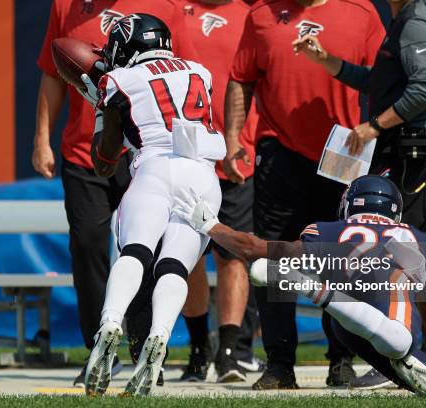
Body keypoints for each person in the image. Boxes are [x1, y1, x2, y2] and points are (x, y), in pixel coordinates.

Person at [173, 175, 426, 396]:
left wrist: (210, 225)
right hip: (399, 318)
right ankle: (418, 363)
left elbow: (253, 249)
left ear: (349, 204)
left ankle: (313, 288)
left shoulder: (329, 231)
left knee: (343, 327)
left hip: (355, 323)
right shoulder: (422, 240)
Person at [293, 0, 426, 389]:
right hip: (413, 150)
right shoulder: (402, 20)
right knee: (413, 255)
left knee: (416, 255)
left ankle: (421, 357)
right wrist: (328, 61)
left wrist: (373, 126)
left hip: (419, 152)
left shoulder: (415, 23)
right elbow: (379, 83)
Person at [34, 0, 196, 387]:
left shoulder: (165, 7)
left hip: (145, 151)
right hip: (83, 149)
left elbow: (182, 80)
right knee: (87, 247)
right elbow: (54, 72)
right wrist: (42, 137)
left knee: (145, 250)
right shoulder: (67, 5)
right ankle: (100, 353)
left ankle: (144, 354)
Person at [225, 0, 385, 389]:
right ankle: (279, 364)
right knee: (273, 259)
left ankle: (342, 360)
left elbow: (386, 79)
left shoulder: (360, 11)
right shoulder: (261, 13)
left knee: (344, 263)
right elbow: (240, 78)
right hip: (278, 154)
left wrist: (375, 130)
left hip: (341, 156)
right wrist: (232, 140)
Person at [81, 14, 224, 397]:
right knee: (174, 265)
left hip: (155, 170)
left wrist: (101, 110)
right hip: (203, 177)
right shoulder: (200, 71)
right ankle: (159, 336)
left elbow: (104, 159)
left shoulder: (117, 81)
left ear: (126, 47)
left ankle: (109, 323)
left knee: (135, 251)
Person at [177, 0, 261, 383]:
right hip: (185, 156)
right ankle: (198, 350)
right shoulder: (173, 11)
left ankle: (229, 352)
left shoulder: (253, 14)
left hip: (237, 154)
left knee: (233, 255)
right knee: (189, 256)